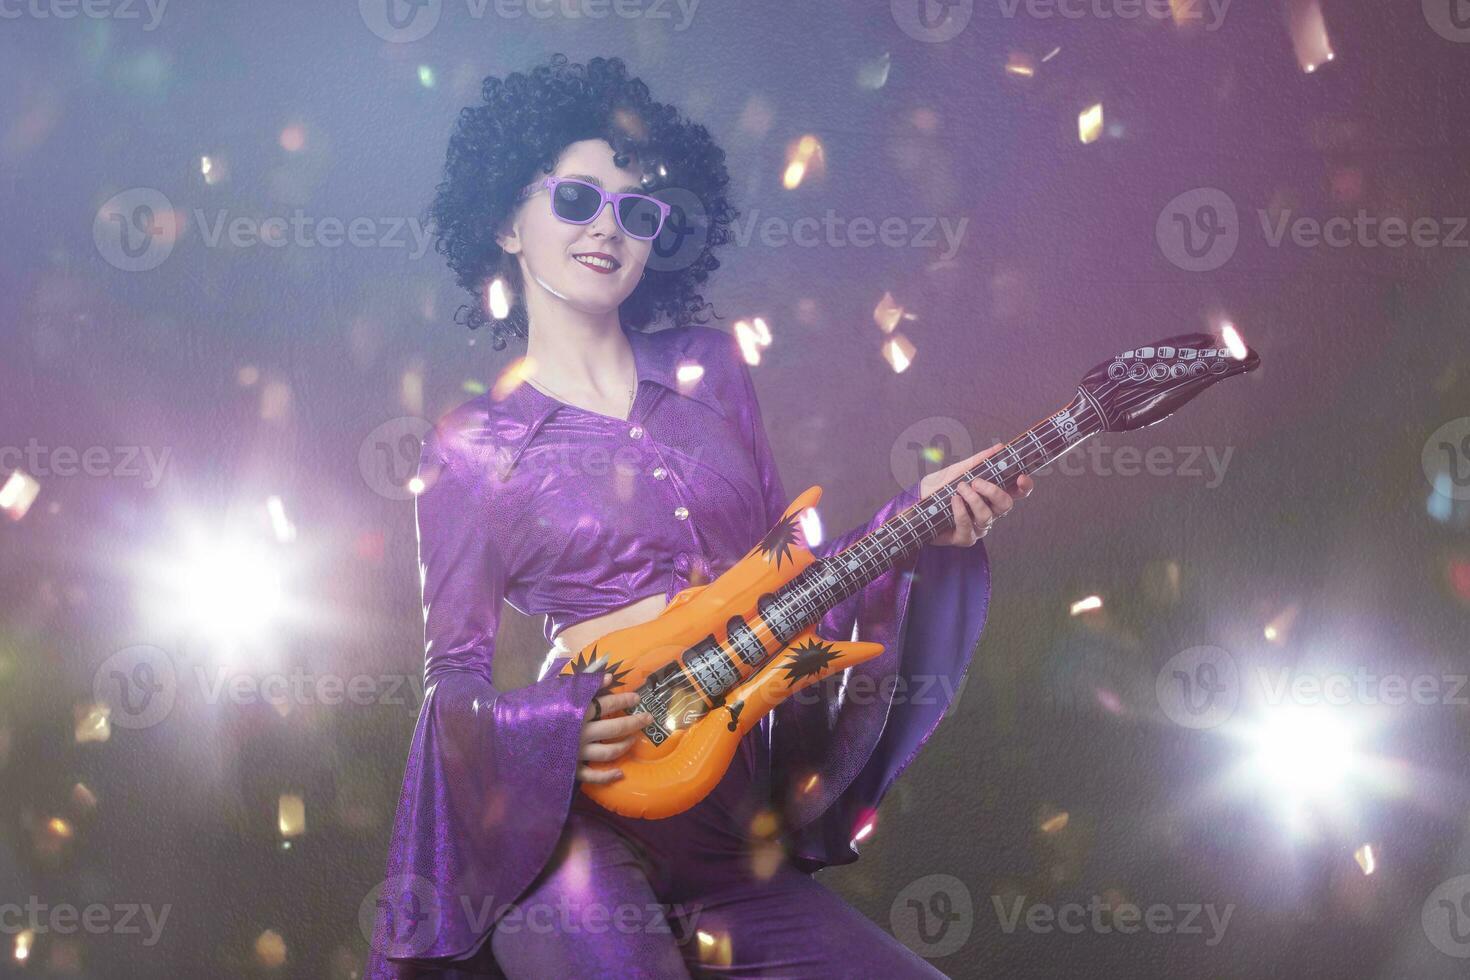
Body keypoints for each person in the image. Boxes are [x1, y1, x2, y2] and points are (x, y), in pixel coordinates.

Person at [366, 53, 1033, 979]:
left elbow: (787, 581)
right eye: (575, 200)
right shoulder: (471, 447)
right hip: (577, 836)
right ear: (504, 223)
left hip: (729, 819)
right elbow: (454, 682)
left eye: (636, 211)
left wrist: (918, 523)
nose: (608, 228)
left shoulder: (711, 370)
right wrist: (549, 727)